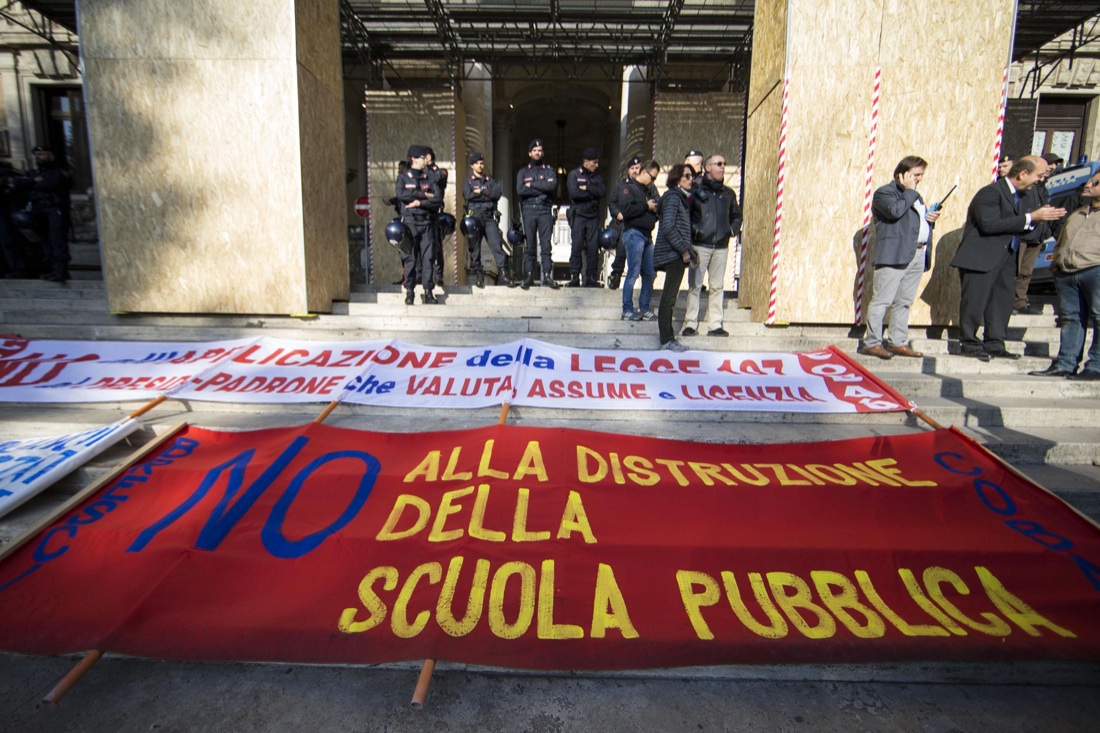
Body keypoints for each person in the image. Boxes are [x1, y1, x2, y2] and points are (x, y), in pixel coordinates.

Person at [950, 156, 1066, 361]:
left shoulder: (1022, 197)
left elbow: (1019, 224)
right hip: (981, 257)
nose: (1040, 180)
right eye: (1038, 175)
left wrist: (1039, 221)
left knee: (1001, 301)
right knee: (974, 301)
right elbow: (989, 225)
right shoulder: (990, 193)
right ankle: (969, 343)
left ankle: (995, 342)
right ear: (1023, 174)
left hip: (1007, 256)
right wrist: (1031, 218)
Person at [859, 156, 941, 359]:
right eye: (915, 175)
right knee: (882, 300)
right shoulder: (885, 193)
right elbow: (894, 212)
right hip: (894, 255)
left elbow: (913, 224)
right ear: (902, 174)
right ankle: (872, 342)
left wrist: (928, 220)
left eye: (921, 175)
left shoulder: (915, 197)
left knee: (904, 301)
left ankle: (897, 341)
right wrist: (910, 192)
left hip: (917, 253)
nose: (918, 179)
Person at [1028, 171, 1100, 380]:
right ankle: (1066, 364)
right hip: (1066, 273)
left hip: (1094, 271)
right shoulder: (1078, 213)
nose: (1087, 185)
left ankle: (1095, 366)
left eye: (1095, 182)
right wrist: (1056, 265)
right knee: (1070, 319)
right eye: (1089, 180)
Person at [682, 154, 741, 338]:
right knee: (695, 286)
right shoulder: (696, 192)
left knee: (717, 287)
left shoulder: (728, 193)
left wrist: (731, 231)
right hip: (700, 245)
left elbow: (737, 216)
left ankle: (715, 325)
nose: (723, 167)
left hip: (721, 247)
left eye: (724, 164)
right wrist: (696, 232)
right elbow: (686, 216)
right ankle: (690, 323)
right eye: (719, 164)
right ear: (708, 168)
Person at [653, 163, 696, 352]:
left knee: (670, 297)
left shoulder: (679, 198)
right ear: (677, 178)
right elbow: (669, 227)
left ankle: (668, 339)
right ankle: (667, 339)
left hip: (674, 253)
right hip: (673, 254)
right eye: (687, 176)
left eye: (692, 176)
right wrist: (683, 250)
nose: (691, 179)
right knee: (669, 299)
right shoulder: (673, 198)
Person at [14, 146, 71, 282]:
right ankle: (52, 269)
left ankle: (61, 270)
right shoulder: (34, 173)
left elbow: (50, 184)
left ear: (50, 155)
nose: (38, 157)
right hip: (38, 209)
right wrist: (33, 181)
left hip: (54, 209)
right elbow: (18, 184)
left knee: (56, 239)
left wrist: (30, 183)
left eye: (41, 154)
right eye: (36, 154)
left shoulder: (58, 171)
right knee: (45, 240)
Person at [395, 145, 443, 305]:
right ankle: (410, 292)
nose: (426, 160)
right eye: (423, 157)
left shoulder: (430, 178)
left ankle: (428, 291)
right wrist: (423, 195)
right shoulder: (403, 178)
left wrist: (417, 202)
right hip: (410, 223)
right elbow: (401, 195)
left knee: (428, 258)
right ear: (414, 159)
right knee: (411, 258)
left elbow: (437, 199)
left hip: (427, 222)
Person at [617, 160, 660, 321]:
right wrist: (645, 207)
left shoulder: (649, 190)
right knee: (633, 272)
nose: (653, 181)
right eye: (652, 177)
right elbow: (626, 210)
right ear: (643, 172)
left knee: (650, 273)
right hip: (634, 233)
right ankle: (627, 309)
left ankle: (644, 307)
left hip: (647, 235)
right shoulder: (628, 187)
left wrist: (651, 209)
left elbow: (658, 206)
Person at [461, 151, 510, 288]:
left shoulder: (490, 181)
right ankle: (478, 275)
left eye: (482, 163)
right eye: (477, 163)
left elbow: (496, 194)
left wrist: (480, 191)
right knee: (475, 248)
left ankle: (504, 274)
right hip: (474, 216)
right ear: (472, 166)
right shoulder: (468, 181)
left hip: (489, 216)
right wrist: (486, 194)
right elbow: (468, 195)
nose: (480, 166)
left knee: (496, 245)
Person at [515, 138, 559, 290]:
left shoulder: (549, 170)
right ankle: (528, 275)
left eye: (540, 150)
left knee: (546, 244)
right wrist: (542, 188)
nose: (537, 153)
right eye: (534, 150)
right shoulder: (523, 172)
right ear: (529, 153)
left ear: (543, 152)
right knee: (530, 244)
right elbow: (520, 190)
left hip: (544, 210)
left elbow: (551, 186)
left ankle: (547, 275)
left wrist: (532, 185)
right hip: (529, 209)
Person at [1014, 156, 1056, 315]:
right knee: (1014, 270)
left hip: (1037, 236)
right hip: (1022, 235)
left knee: (1026, 272)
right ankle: (1007, 301)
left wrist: (1046, 232)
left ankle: (1020, 301)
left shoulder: (1042, 189)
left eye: (1051, 170)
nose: (1048, 172)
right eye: (1047, 169)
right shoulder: (1026, 186)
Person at [566, 147, 606, 287]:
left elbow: (602, 192)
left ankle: (591, 278)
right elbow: (574, 194)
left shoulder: (598, 177)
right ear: (586, 161)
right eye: (594, 162)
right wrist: (592, 194)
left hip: (593, 216)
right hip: (579, 216)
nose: (597, 165)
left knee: (593, 248)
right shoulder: (574, 175)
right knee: (576, 247)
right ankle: (575, 277)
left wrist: (587, 187)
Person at [606, 156, 647, 290]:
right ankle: (616, 275)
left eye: (637, 168)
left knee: (642, 254)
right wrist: (618, 213)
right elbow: (612, 203)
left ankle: (645, 280)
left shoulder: (647, 187)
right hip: (623, 224)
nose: (635, 171)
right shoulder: (621, 185)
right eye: (632, 168)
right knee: (622, 250)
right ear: (628, 170)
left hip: (640, 225)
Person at [425, 148, 449, 287]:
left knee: (436, 245)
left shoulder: (439, 172)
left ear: (428, 157)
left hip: (436, 212)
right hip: (424, 212)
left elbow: (435, 180)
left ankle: (438, 275)